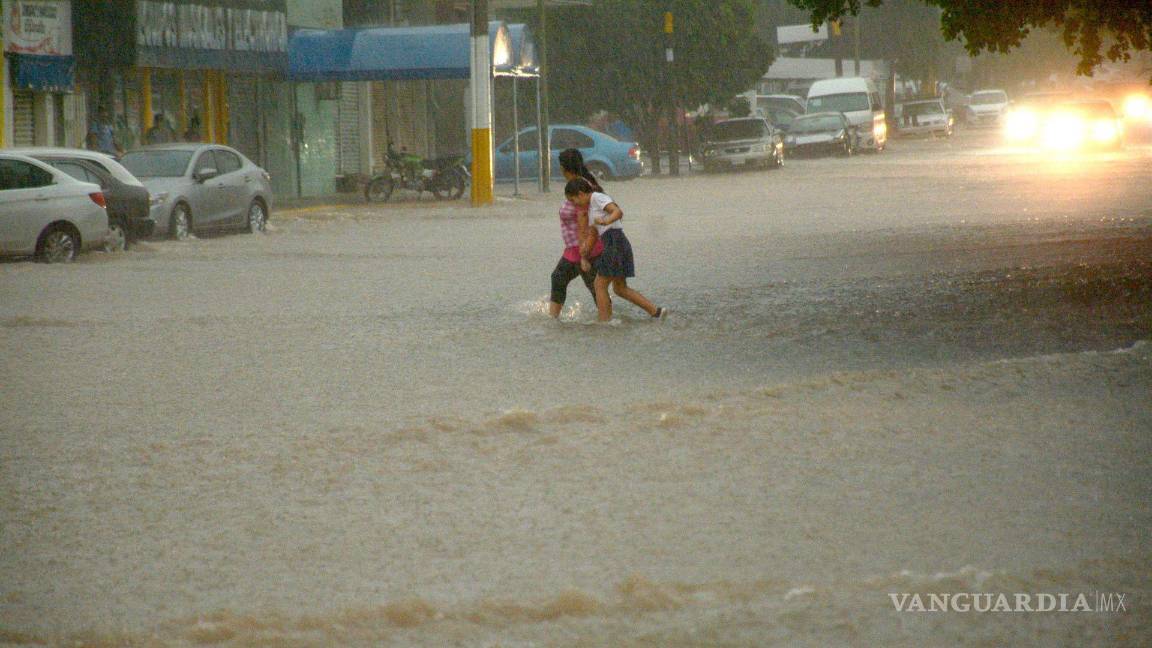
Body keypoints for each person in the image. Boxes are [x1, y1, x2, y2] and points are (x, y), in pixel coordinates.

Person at [564, 178, 666, 322]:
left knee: (599, 285)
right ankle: (657, 312)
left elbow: (617, 211)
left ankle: (604, 322)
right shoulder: (591, 208)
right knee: (619, 288)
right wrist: (584, 255)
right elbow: (593, 235)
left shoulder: (597, 198)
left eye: (573, 200)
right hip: (617, 243)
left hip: (615, 242)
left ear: (580, 194)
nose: (575, 205)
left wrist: (606, 221)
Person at [547, 149, 605, 319]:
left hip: (583, 248)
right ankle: (553, 319)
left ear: (565, 167)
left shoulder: (581, 188)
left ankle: (609, 322)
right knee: (560, 278)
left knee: (595, 287)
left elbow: (584, 222)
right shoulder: (579, 185)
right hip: (575, 248)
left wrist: (584, 254)